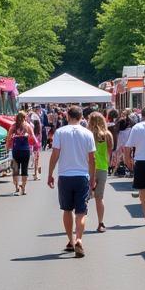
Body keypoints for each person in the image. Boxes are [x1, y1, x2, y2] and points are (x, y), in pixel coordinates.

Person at [47, 105, 96, 257]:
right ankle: (79, 239)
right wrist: (92, 177)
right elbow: (92, 159)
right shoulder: (88, 133)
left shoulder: (60, 132)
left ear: (68, 116)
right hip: (82, 176)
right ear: (82, 117)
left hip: (65, 176)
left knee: (67, 210)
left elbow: (55, 155)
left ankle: (71, 239)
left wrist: (50, 173)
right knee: (81, 211)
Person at [87, 111, 114, 233]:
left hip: (88, 167)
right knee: (99, 197)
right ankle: (100, 223)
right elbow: (109, 152)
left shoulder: (87, 134)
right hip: (102, 167)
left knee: (83, 197)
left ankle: (80, 222)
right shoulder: (108, 135)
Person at [7, 111, 40, 195]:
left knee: (15, 170)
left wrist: (8, 146)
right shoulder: (28, 126)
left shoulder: (13, 126)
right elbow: (32, 136)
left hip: (16, 150)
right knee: (25, 169)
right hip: (25, 150)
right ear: (25, 118)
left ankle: (17, 187)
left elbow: (8, 138)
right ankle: (24, 188)